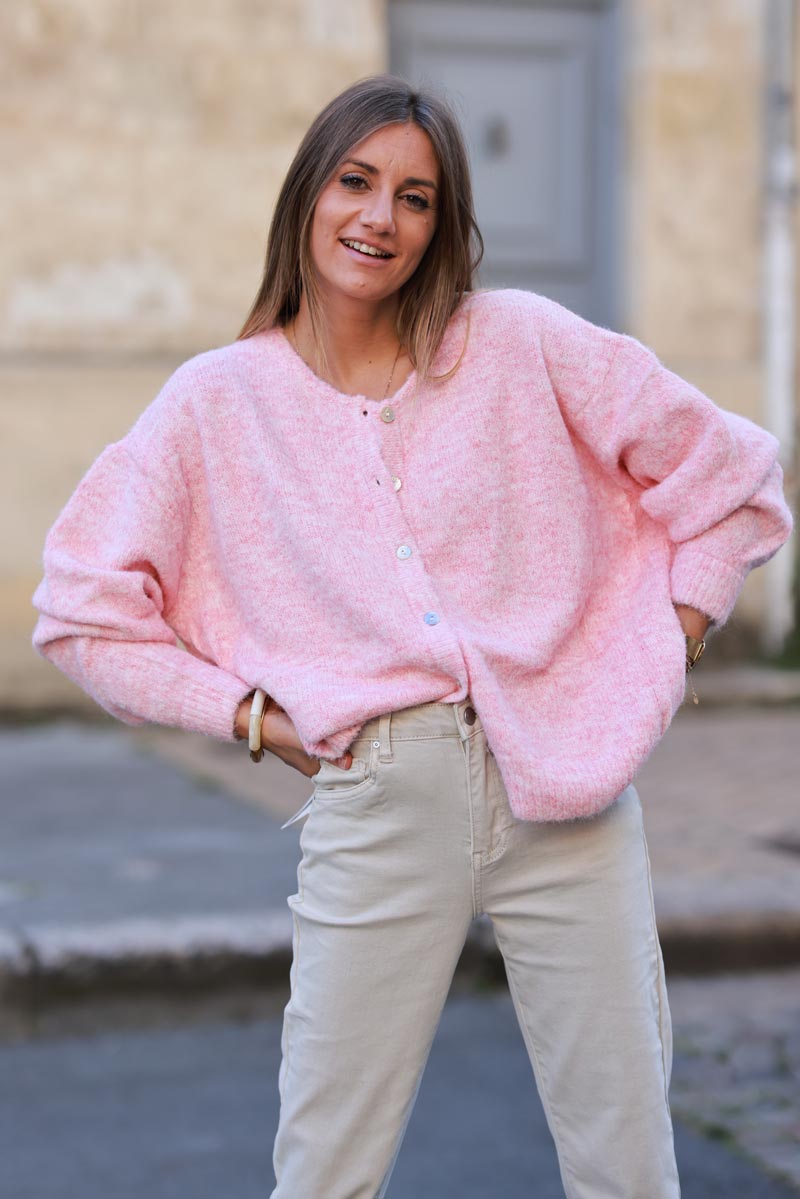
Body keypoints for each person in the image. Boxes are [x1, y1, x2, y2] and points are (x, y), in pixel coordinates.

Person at [31, 73, 793, 1198]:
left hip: (571, 793)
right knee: (326, 1172)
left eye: (415, 197)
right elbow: (81, 609)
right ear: (308, 193)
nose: (378, 217)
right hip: (380, 795)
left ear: (441, 226)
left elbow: (732, 477)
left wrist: (657, 651)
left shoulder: (520, 341)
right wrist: (243, 713)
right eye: (355, 181)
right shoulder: (217, 403)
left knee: (626, 1164)